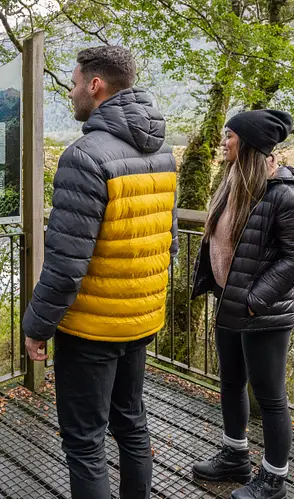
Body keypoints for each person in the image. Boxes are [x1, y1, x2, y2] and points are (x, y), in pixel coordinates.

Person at [22, 45, 179, 499]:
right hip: (140, 318)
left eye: (73, 83)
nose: (70, 92)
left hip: (92, 326)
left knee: (85, 440)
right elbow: (163, 240)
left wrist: (37, 326)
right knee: (130, 422)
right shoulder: (164, 154)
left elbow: (66, 262)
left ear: (96, 85)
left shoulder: (84, 157)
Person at [190, 109, 294, 499]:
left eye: (230, 136)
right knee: (230, 383)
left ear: (248, 145)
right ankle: (235, 456)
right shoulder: (232, 183)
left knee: (271, 396)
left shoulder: (285, 194)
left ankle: (274, 478)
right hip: (230, 303)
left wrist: (254, 301)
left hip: (263, 313)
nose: (224, 142)